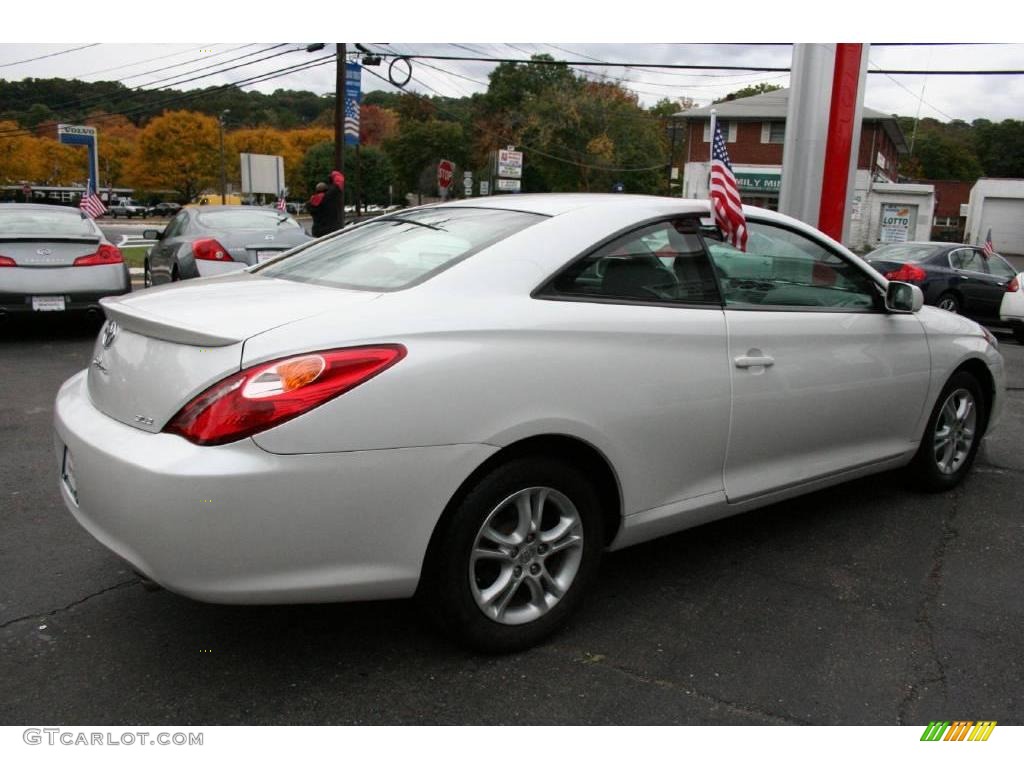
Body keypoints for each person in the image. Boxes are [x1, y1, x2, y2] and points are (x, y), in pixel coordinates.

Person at [307, 170, 345, 237]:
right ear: (326, 190)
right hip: (332, 231)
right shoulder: (329, 197)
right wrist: (333, 174)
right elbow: (338, 183)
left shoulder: (310, 202)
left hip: (317, 232)